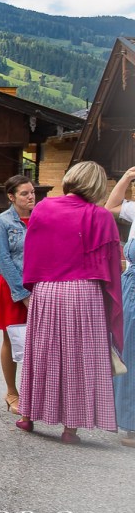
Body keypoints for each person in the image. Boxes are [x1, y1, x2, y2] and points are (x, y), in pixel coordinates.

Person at [16, 161, 123, 444]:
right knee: (78, 359)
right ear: (98, 186)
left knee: (41, 353)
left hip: (47, 288)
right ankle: (69, 429)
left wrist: (33, 286)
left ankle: (27, 416)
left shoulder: (43, 208)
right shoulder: (100, 217)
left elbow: (32, 251)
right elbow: (111, 267)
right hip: (84, 292)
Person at [0, 175, 35, 414]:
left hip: (38, 285)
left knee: (37, 340)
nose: (30, 197)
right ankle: (11, 392)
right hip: (12, 286)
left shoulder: (40, 218)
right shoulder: (2, 222)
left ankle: (34, 392)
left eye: (32, 192)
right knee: (12, 338)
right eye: (24, 193)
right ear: (11, 196)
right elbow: (3, 259)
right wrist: (22, 293)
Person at [104, 168, 135, 447]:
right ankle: (131, 423)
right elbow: (111, 206)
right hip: (132, 288)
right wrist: (126, 178)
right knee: (129, 350)